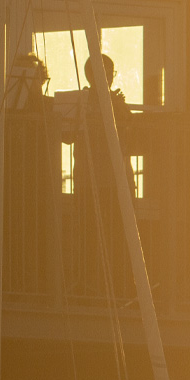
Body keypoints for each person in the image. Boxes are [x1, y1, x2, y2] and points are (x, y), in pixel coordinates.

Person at [61, 54, 132, 300]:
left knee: (117, 235)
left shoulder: (117, 102)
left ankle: (114, 288)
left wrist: (119, 107)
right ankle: (89, 286)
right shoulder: (81, 101)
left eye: (111, 72)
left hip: (114, 180)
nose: (108, 77)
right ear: (90, 75)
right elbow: (67, 135)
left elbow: (131, 135)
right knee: (88, 234)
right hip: (90, 177)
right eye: (103, 72)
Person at [4, 53, 63, 295]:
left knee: (38, 230)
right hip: (15, 176)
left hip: (39, 176)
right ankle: (15, 281)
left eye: (39, 77)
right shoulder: (8, 106)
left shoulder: (48, 106)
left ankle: (37, 283)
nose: (37, 83)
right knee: (15, 229)